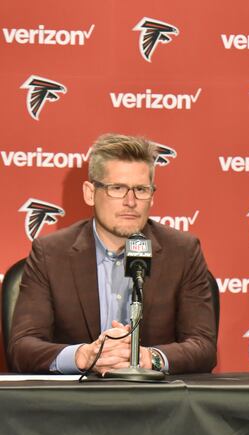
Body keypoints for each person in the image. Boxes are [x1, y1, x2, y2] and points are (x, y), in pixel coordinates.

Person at [8, 134, 217, 375]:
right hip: (77, 405)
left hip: (154, 404)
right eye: (117, 188)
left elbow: (203, 346)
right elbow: (22, 347)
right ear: (90, 193)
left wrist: (150, 358)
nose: (130, 201)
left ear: (152, 195)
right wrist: (82, 355)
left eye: (140, 189)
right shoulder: (51, 254)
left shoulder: (182, 252)